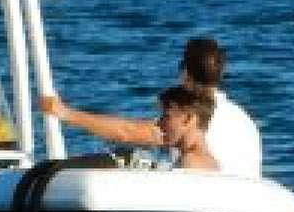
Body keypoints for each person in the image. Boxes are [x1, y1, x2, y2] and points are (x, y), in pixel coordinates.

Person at [39, 35, 263, 177]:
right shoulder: (244, 119)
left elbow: (126, 132)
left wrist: (64, 113)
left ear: (185, 72)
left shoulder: (187, 116)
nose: (165, 122)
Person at [155, 85, 220, 171]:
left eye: (166, 116)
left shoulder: (188, 163)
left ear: (187, 119)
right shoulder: (212, 162)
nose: (158, 123)